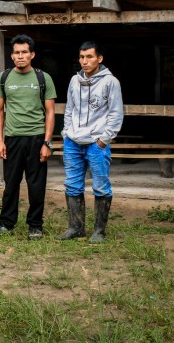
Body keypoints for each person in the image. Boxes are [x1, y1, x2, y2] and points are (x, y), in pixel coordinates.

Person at [0, 34, 57, 240]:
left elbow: (50, 112)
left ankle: (35, 225)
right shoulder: (3, 78)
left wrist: (47, 142)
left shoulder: (42, 78)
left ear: (32, 54)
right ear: (12, 56)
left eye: (24, 52)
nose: (20, 56)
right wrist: (0, 140)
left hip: (37, 138)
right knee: (11, 184)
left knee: (36, 184)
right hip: (12, 138)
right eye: (17, 53)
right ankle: (6, 223)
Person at [58, 41, 123, 243]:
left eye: (89, 57)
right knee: (72, 185)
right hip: (73, 142)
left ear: (99, 59)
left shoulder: (111, 82)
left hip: (96, 143)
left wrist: (104, 140)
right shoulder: (74, 81)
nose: (84, 62)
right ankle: (76, 228)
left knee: (101, 186)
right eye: (82, 57)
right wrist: (66, 132)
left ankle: (99, 232)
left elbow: (116, 113)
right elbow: (69, 109)